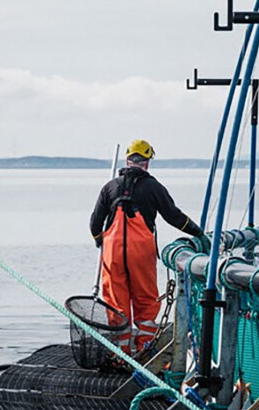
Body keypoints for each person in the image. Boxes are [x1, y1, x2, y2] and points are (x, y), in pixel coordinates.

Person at [89, 139, 205, 355]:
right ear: (147, 162)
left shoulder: (110, 186)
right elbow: (174, 217)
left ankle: (120, 353)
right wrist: (198, 232)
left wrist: (99, 241)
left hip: (112, 249)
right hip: (141, 250)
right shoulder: (154, 187)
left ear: (127, 159)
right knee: (145, 298)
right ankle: (144, 348)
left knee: (115, 300)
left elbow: (95, 223)